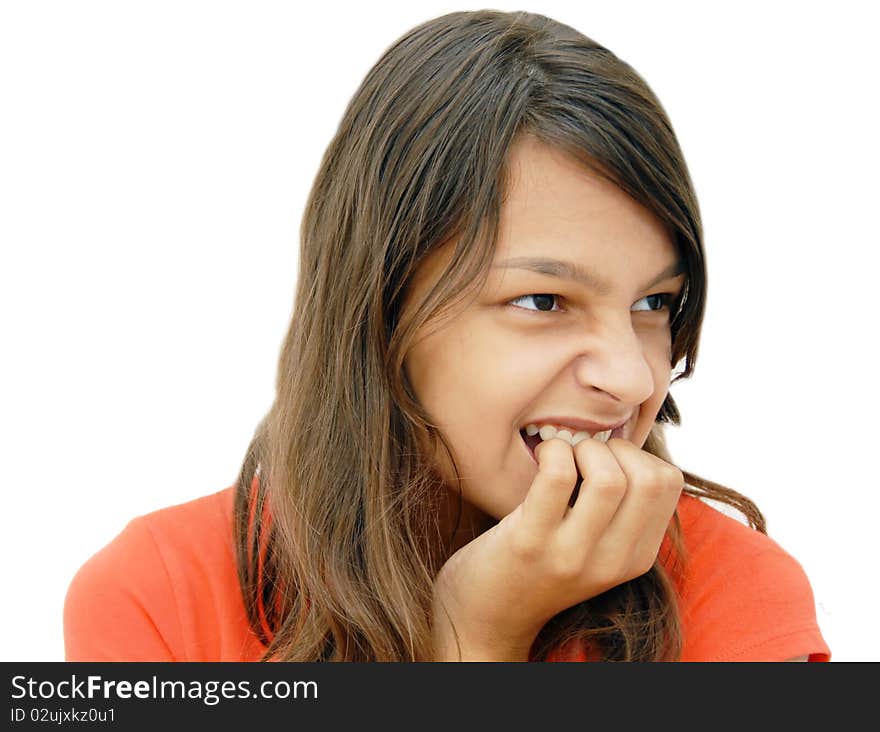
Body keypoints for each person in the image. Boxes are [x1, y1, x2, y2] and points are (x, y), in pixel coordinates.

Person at [63, 9, 830, 662]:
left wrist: (476, 640)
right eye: (543, 299)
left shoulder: (738, 595)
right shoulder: (161, 598)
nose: (632, 379)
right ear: (380, 310)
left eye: (654, 302)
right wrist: (471, 643)